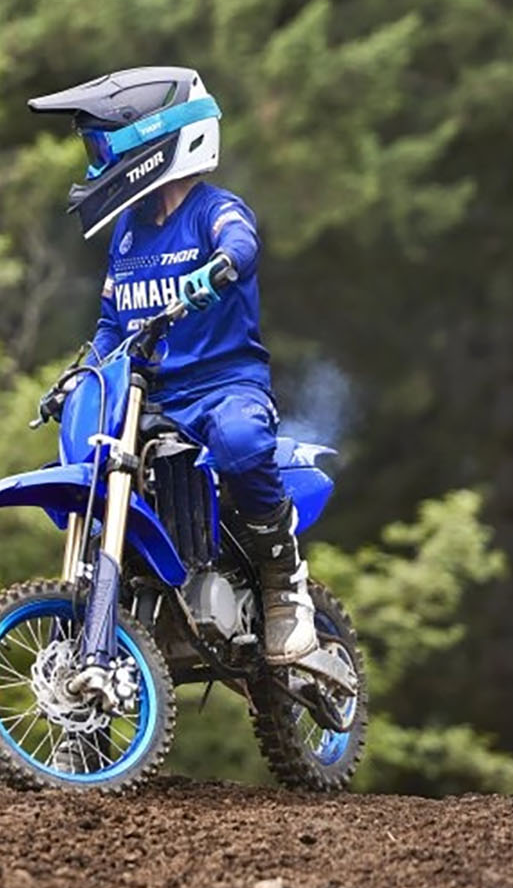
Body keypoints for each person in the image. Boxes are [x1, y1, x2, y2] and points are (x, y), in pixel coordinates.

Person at [40, 65, 317, 666]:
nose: (94, 161)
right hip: (152, 396)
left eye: (101, 146)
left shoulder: (214, 209)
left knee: (241, 441)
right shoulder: (128, 235)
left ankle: (282, 583)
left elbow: (241, 242)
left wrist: (219, 267)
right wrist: (80, 374)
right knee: (90, 469)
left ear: (151, 140)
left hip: (224, 385)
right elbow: (114, 325)